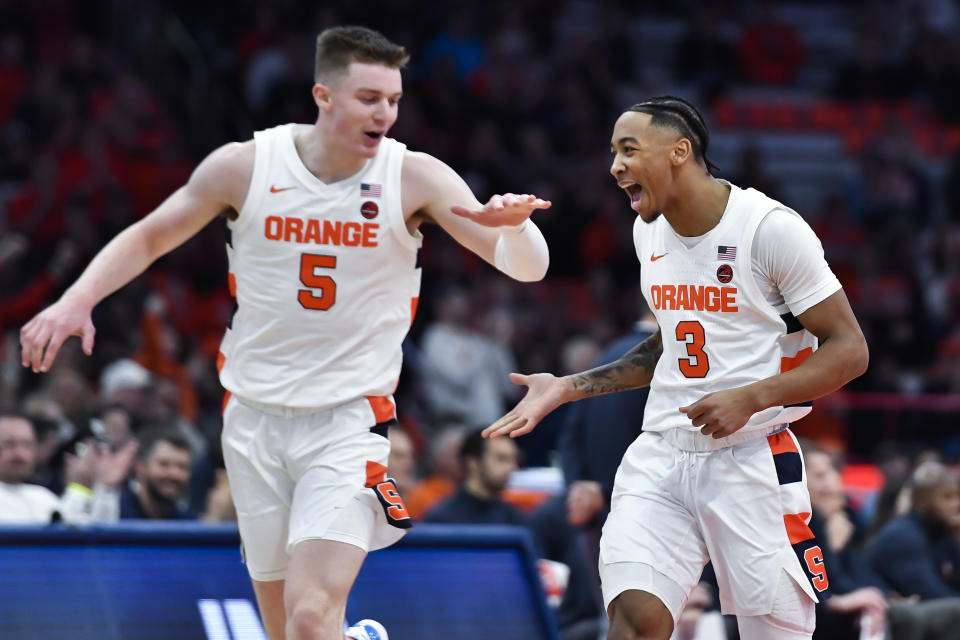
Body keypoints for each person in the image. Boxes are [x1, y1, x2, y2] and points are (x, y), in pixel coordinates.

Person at [19, 25, 550, 640]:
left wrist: (514, 227)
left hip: (348, 421)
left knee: (306, 619)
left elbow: (527, 267)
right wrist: (76, 300)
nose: (385, 113)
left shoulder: (414, 176)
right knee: (284, 632)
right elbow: (149, 234)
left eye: (394, 100)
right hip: (252, 418)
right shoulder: (245, 166)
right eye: (369, 98)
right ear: (323, 95)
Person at [484, 95, 869, 640]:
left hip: (751, 458)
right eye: (612, 152)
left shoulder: (770, 229)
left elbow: (850, 349)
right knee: (633, 622)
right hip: (661, 453)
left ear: (679, 152)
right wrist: (567, 387)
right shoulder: (649, 231)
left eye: (629, 150)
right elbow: (667, 345)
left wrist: (751, 397)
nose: (615, 166)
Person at [868, 460, 960, 600]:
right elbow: (931, 596)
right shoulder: (901, 536)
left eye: (957, 496)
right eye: (947, 497)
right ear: (921, 500)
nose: (956, 504)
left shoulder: (943, 530)